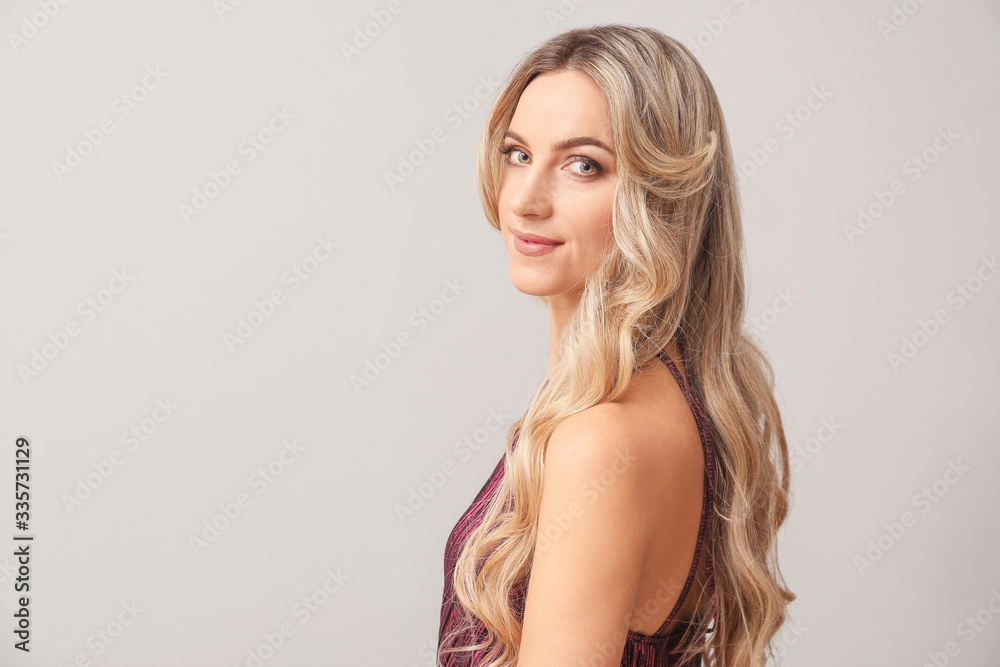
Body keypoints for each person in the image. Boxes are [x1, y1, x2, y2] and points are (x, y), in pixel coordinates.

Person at [438, 24, 794, 667]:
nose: (525, 199)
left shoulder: (601, 440)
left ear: (662, 196)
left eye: (583, 165)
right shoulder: (671, 399)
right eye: (517, 153)